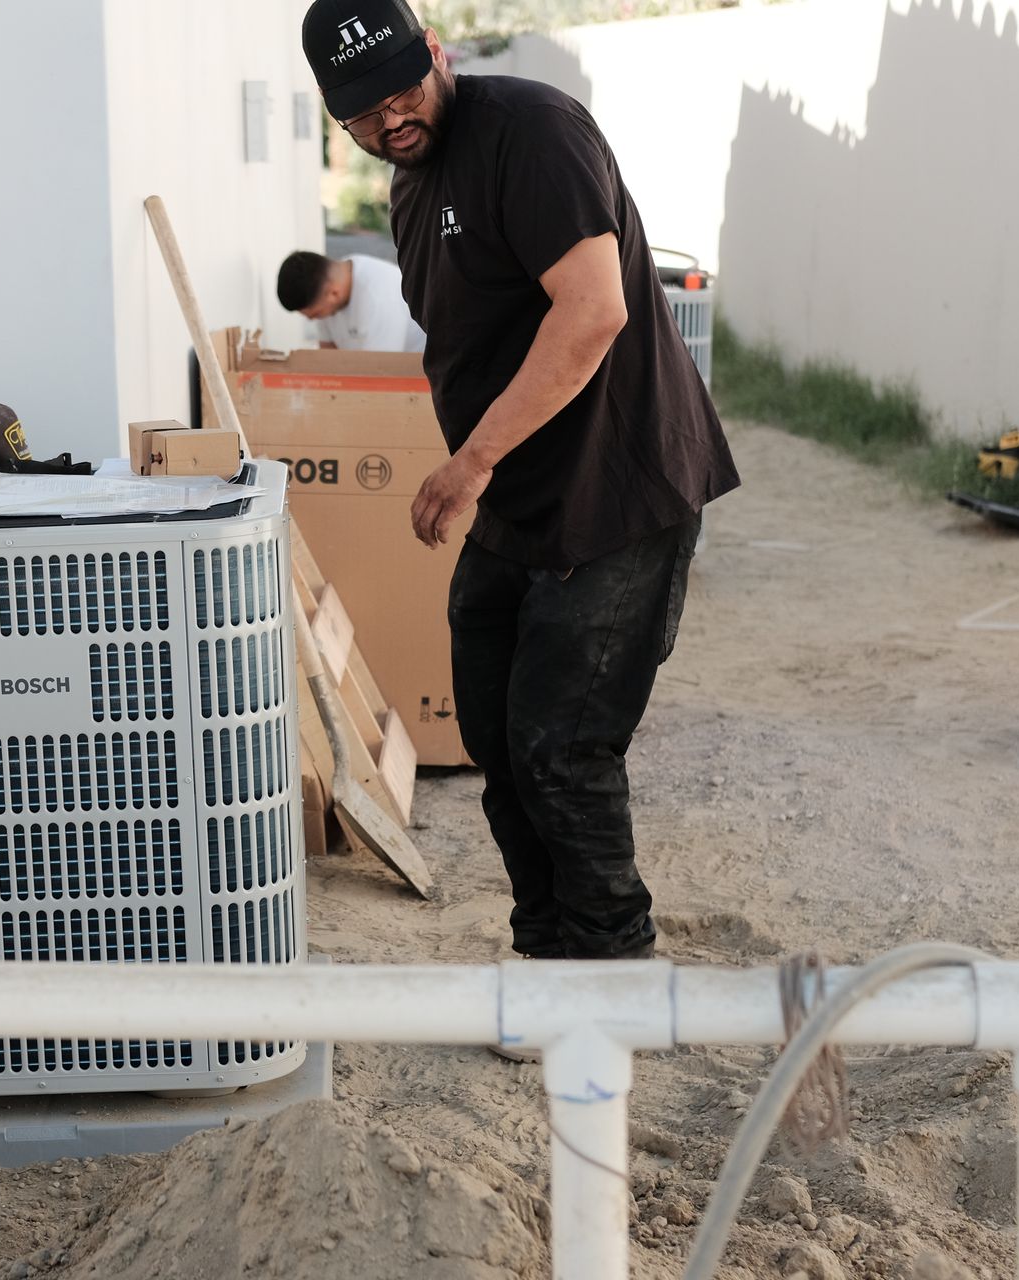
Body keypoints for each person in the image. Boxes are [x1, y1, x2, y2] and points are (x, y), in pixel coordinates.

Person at [302, 0, 740, 970]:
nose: (392, 118)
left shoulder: (531, 133)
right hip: (514, 502)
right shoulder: (410, 189)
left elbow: (593, 312)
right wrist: (483, 468)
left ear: (439, 54)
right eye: (364, 111)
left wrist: (470, 460)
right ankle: (548, 952)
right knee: (498, 739)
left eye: (403, 88)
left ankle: (616, 966)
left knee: (562, 747)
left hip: (615, 489)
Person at [277, 249, 426, 352]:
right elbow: (328, 357)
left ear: (333, 293)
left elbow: (382, 370)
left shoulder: (378, 298)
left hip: (417, 379)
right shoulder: (326, 289)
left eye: (315, 314)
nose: (313, 320)